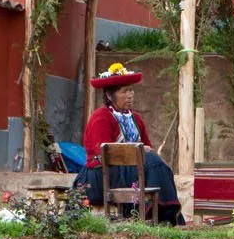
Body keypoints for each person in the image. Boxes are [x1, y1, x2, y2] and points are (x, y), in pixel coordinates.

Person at [72, 63, 184, 225]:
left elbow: (147, 147)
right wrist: (135, 150)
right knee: (153, 163)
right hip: (101, 174)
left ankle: (163, 213)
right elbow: (104, 154)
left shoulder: (135, 118)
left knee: (156, 164)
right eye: (124, 91)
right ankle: (155, 214)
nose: (130, 95)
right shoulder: (101, 117)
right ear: (110, 96)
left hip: (130, 170)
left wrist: (141, 152)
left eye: (131, 90)